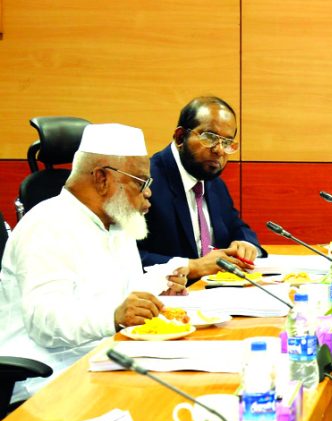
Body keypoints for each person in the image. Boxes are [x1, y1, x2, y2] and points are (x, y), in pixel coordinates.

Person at [0, 124, 188, 402]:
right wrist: (113, 317)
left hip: (107, 363)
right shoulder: (46, 225)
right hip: (48, 382)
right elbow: (45, 320)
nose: (149, 193)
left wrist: (160, 285)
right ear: (102, 178)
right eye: (140, 182)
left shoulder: (118, 223)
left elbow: (119, 295)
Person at [139, 96, 265, 280]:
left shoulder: (212, 182)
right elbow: (125, 258)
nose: (219, 150)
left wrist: (245, 244)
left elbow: (237, 226)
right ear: (180, 137)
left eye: (227, 142)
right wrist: (192, 267)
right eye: (210, 137)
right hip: (164, 299)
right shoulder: (144, 182)